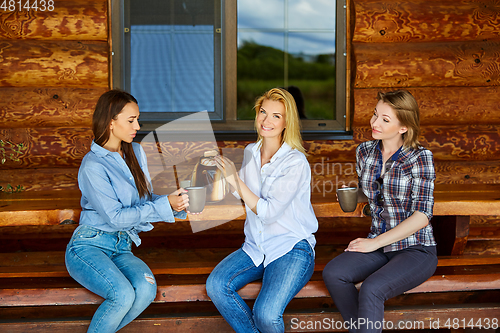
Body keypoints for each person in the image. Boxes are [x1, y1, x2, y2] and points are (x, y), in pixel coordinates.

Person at [65, 90, 189, 333]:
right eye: (131, 120)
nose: (137, 126)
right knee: (121, 295)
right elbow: (116, 217)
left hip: (122, 246)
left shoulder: (135, 152)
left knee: (146, 289)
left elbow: (145, 200)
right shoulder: (93, 165)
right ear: (111, 122)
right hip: (89, 246)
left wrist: (175, 203)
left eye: (137, 119)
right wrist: (164, 207)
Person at [322, 90, 438, 333]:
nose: (374, 123)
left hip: (416, 249)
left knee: (372, 288)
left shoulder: (419, 157)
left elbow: (422, 214)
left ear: (403, 127)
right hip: (379, 244)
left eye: (385, 120)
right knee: (334, 273)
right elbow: (376, 191)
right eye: (375, 115)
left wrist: (374, 244)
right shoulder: (365, 152)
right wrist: (355, 194)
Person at [206, 88, 318, 333]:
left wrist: (234, 179)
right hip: (256, 246)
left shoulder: (295, 162)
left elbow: (267, 212)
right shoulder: (251, 151)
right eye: (263, 112)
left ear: (287, 122)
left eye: (276, 116)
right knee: (216, 285)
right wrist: (218, 177)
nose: (267, 121)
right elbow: (243, 193)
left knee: (266, 314)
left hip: (291, 248)